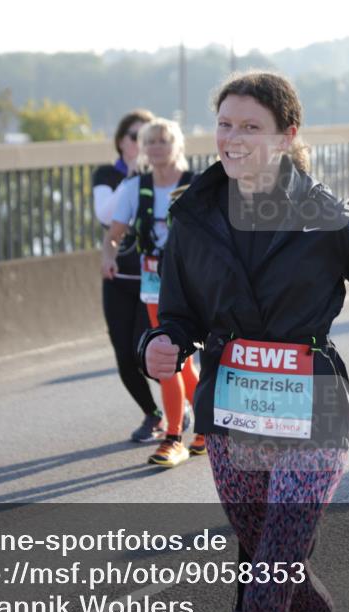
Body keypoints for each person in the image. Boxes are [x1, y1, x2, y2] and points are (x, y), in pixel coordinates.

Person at [140, 71, 349, 612]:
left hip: (312, 415)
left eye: (251, 127)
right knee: (278, 567)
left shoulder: (329, 216)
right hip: (232, 418)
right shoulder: (193, 215)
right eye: (225, 125)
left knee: (267, 578)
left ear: (288, 136)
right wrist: (161, 343)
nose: (232, 139)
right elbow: (179, 314)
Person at [102, 117, 202, 467]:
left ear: (178, 145)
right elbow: (114, 233)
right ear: (144, 149)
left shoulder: (197, 185)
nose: (157, 147)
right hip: (155, 287)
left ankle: (195, 430)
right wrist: (109, 256)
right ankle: (178, 436)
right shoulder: (135, 188)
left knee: (184, 362)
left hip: (193, 286)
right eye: (151, 141)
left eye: (164, 140)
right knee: (168, 359)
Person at [93, 109, 166, 443]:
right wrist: (132, 176)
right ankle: (153, 414)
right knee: (123, 355)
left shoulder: (164, 178)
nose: (141, 144)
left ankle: (183, 404)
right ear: (121, 141)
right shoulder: (108, 174)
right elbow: (106, 216)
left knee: (147, 353)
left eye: (148, 138)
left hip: (152, 282)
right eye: (135, 137)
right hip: (119, 279)